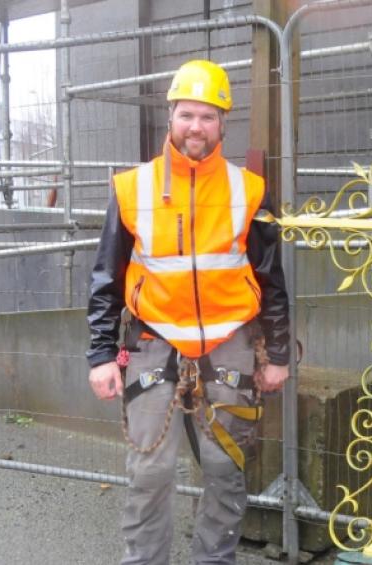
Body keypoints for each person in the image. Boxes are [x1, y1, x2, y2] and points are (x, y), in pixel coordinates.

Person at [85, 59, 290, 565]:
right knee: (150, 471)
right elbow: (105, 278)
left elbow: (271, 280)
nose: (195, 126)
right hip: (153, 342)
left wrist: (278, 354)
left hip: (231, 345)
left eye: (207, 116)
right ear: (170, 117)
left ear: (223, 123)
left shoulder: (250, 190)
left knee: (225, 468)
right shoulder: (132, 188)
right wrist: (100, 355)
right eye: (187, 115)